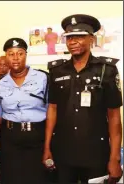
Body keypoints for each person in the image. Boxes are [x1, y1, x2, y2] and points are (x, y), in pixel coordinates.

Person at [43, 14, 123, 183]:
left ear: (91, 39)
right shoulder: (57, 71)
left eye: (79, 36)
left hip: (96, 153)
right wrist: (47, 147)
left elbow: (114, 117)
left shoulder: (106, 70)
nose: (73, 42)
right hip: (63, 152)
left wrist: (115, 158)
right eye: (69, 37)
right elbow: (52, 109)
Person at [0, 38, 49, 184]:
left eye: (20, 53)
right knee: (11, 177)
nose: (15, 58)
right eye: (11, 54)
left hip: (37, 136)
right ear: (6, 57)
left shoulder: (42, 78)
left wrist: (49, 145)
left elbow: (52, 111)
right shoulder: (1, 84)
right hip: (10, 138)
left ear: (26, 54)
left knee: (37, 178)